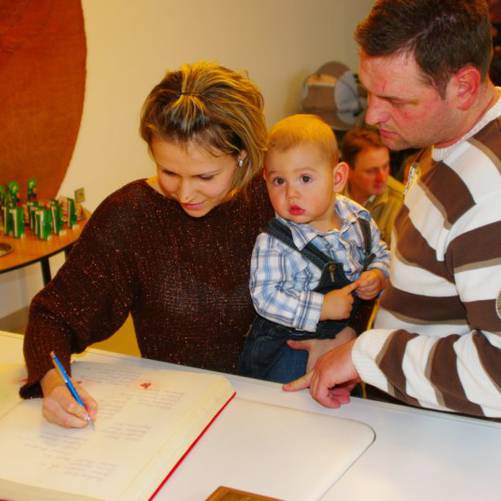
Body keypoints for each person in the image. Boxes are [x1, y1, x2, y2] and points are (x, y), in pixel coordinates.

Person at [20, 61, 274, 428]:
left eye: (205, 176)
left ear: (243, 154)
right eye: (169, 172)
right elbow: (53, 317)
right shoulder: (132, 216)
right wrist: (54, 385)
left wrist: (337, 339)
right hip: (181, 417)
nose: (185, 194)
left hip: (286, 407)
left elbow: (346, 276)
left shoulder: (279, 196)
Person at [285, 0, 501, 418]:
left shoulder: (490, 195)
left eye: (395, 99)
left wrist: (368, 357)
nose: (372, 114)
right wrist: (358, 341)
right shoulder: (450, 140)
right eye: (369, 90)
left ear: (464, 87)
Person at [239, 114, 389, 383]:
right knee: (288, 401)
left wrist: (378, 275)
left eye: (305, 178)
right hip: (287, 347)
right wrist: (321, 307)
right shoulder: (275, 241)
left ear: (337, 177)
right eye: (279, 181)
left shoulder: (358, 218)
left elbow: (380, 252)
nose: (291, 194)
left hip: (341, 343)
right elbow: (265, 297)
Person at [341, 126, 404, 244]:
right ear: (347, 171)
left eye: (385, 166)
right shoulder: (328, 192)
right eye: (370, 171)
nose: (382, 178)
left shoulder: (402, 203)